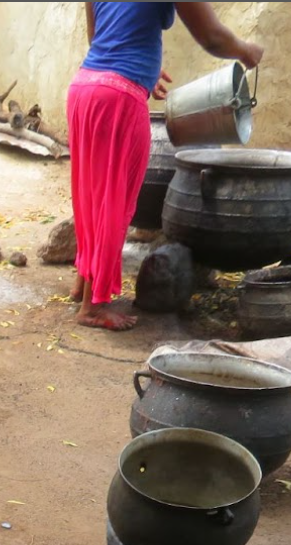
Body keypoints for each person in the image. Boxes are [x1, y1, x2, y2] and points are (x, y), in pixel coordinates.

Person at [68, 2, 264, 330]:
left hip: (85, 88)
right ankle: (93, 307)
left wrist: (146, 67)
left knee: (91, 195)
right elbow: (212, 37)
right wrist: (246, 51)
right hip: (118, 97)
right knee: (115, 201)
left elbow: (97, 35)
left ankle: (85, 283)